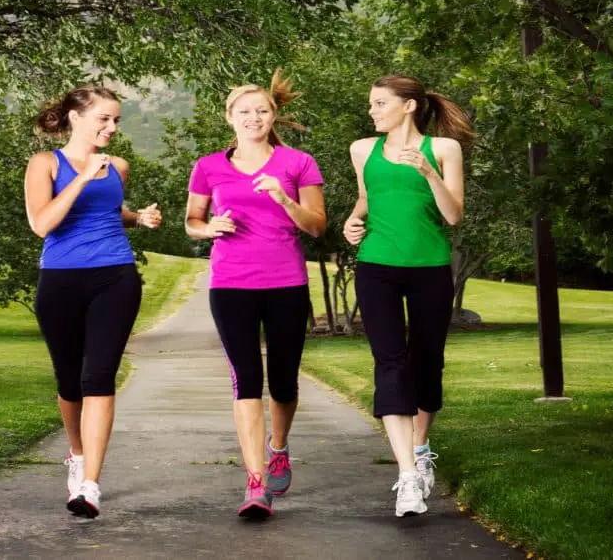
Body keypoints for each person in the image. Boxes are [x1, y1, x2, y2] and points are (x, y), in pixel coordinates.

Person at [185, 70, 326, 518]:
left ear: (274, 115)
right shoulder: (209, 166)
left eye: (262, 110)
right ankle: (255, 482)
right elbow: (192, 220)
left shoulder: (298, 163)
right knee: (246, 378)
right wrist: (209, 229)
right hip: (231, 284)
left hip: (286, 282)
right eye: (244, 111)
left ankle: (278, 447)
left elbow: (317, 226)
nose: (254, 118)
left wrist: (284, 200)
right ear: (230, 118)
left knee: (283, 381)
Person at [24, 85, 162, 519]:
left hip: (115, 276)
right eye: (104, 118)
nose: (112, 127)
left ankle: (89, 486)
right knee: (69, 382)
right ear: (75, 118)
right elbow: (43, 223)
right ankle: (77, 455)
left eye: (117, 120)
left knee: (98, 377)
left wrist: (138, 217)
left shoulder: (116, 167)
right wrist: (82, 177)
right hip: (60, 280)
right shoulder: (45, 163)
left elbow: (107, 209)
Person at [343, 75, 474, 517]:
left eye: (380, 103)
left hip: (430, 268)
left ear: (409, 106)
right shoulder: (363, 150)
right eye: (371, 104)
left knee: (427, 361)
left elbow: (453, 215)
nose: (372, 111)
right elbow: (367, 196)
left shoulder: (443, 149)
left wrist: (427, 171)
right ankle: (407, 477)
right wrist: (351, 221)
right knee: (390, 362)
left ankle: (419, 449)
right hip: (377, 265)